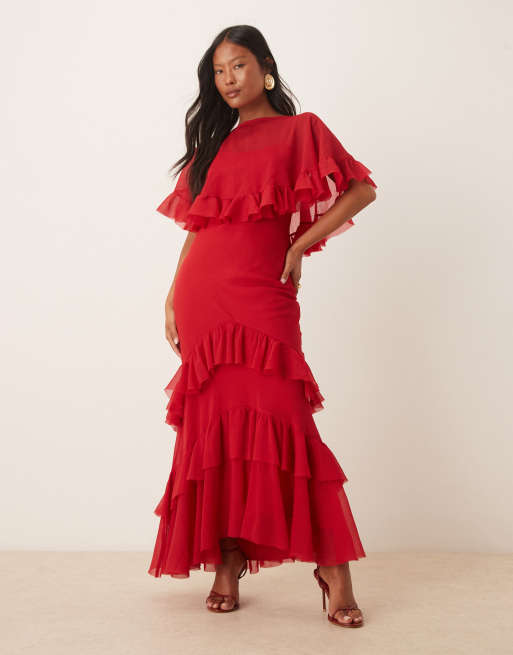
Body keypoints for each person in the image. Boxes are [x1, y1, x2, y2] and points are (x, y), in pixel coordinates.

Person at [148, 25, 377, 629]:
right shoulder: (214, 148)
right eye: (218, 71)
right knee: (212, 429)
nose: (228, 79)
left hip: (262, 294)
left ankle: (334, 571)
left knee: (287, 419)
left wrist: (299, 245)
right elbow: (198, 229)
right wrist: (172, 295)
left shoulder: (302, 131)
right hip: (204, 299)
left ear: (265, 67)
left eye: (239, 65)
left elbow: (361, 191)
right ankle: (227, 562)